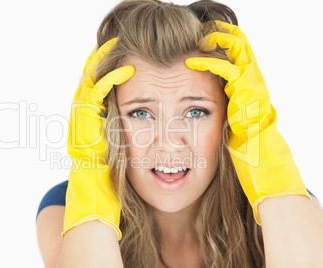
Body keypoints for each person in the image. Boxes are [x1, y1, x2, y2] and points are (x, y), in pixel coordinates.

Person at [36, 0, 323, 267]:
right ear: (106, 122)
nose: (169, 142)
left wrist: (259, 135)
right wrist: (90, 163)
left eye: (195, 112)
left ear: (230, 119)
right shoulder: (64, 208)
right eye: (140, 113)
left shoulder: (281, 205)